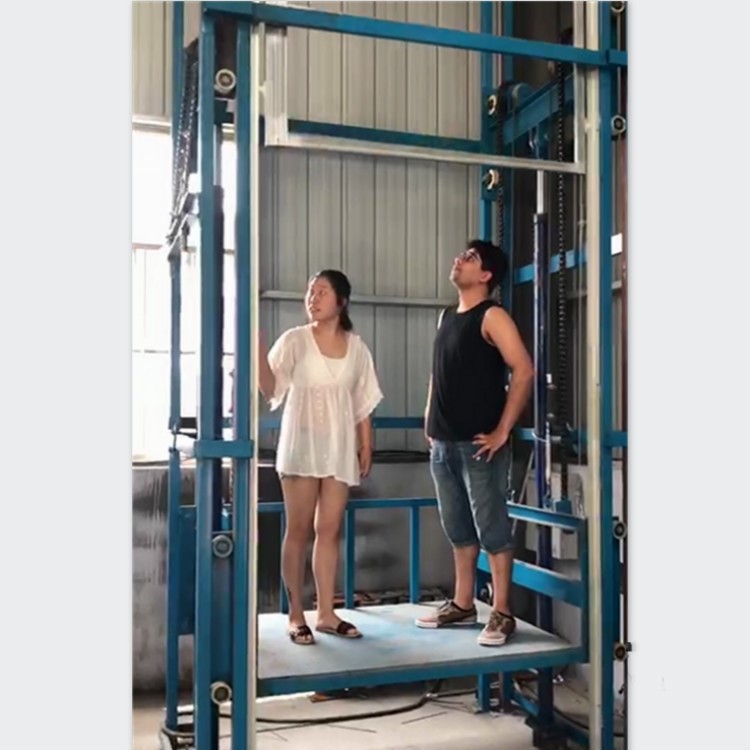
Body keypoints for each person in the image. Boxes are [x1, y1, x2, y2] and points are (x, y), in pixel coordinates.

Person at [417, 240, 534, 646]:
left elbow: (523, 370)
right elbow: (438, 372)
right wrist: (429, 416)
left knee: (492, 528)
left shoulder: (492, 316)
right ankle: (463, 603)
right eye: (462, 254)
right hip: (443, 442)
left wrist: (502, 430)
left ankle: (502, 612)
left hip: (479, 444)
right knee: (457, 527)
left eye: (470, 258)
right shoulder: (447, 316)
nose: (460, 259)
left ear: (485, 275)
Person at [258, 269, 383, 646]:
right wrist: (257, 349)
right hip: (300, 447)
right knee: (298, 530)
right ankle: (297, 614)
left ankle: (326, 613)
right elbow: (270, 388)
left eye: (322, 292)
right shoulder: (294, 340)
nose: (313, 298)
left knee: (328, 530)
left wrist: (366, 444)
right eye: (310, 292)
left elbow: (362, 401)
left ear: (341, 301)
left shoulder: (356, 348)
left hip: (338, 449)